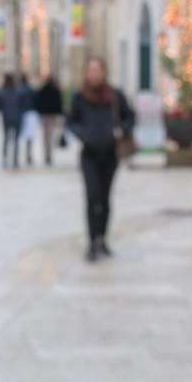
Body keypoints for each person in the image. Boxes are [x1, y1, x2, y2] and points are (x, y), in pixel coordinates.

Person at [66, 57, 135, 262]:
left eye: (97, 70)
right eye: (91, 70)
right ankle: (92, 240)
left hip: (110, 153)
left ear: (104, 72)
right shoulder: (80, 97)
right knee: (92, 196)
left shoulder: (114, 95)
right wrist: (83, 134)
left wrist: (121, 130)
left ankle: (102, 238)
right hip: (89, 154)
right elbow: (71, 121)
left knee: (105, 198)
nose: (94, 74)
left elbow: (129, 116)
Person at [0, 74, 25, 169]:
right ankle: (15, 160)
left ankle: (5, 158)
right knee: (16, 140)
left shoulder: (2, 92)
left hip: (6, 117)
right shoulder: (19, 91)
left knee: (6, 138)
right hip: (17, 118)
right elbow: (23, 105)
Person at [34, 75, 65, 166]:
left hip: (45, 115)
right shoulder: (55, 90)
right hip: (52, 115)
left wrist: (40, 111)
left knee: (45, 135)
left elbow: (38, 102)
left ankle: (47, 153)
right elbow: (59, 103)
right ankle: (49, 153)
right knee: (51, 134)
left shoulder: (42, 90)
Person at [18, 74, 38, 166]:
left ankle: (17, 155)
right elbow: (36, 100)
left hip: (21, 114)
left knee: (19, 136)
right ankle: (28, 155)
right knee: (30, 136)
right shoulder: (31, 89)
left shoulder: (18, 90)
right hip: (30, 113)